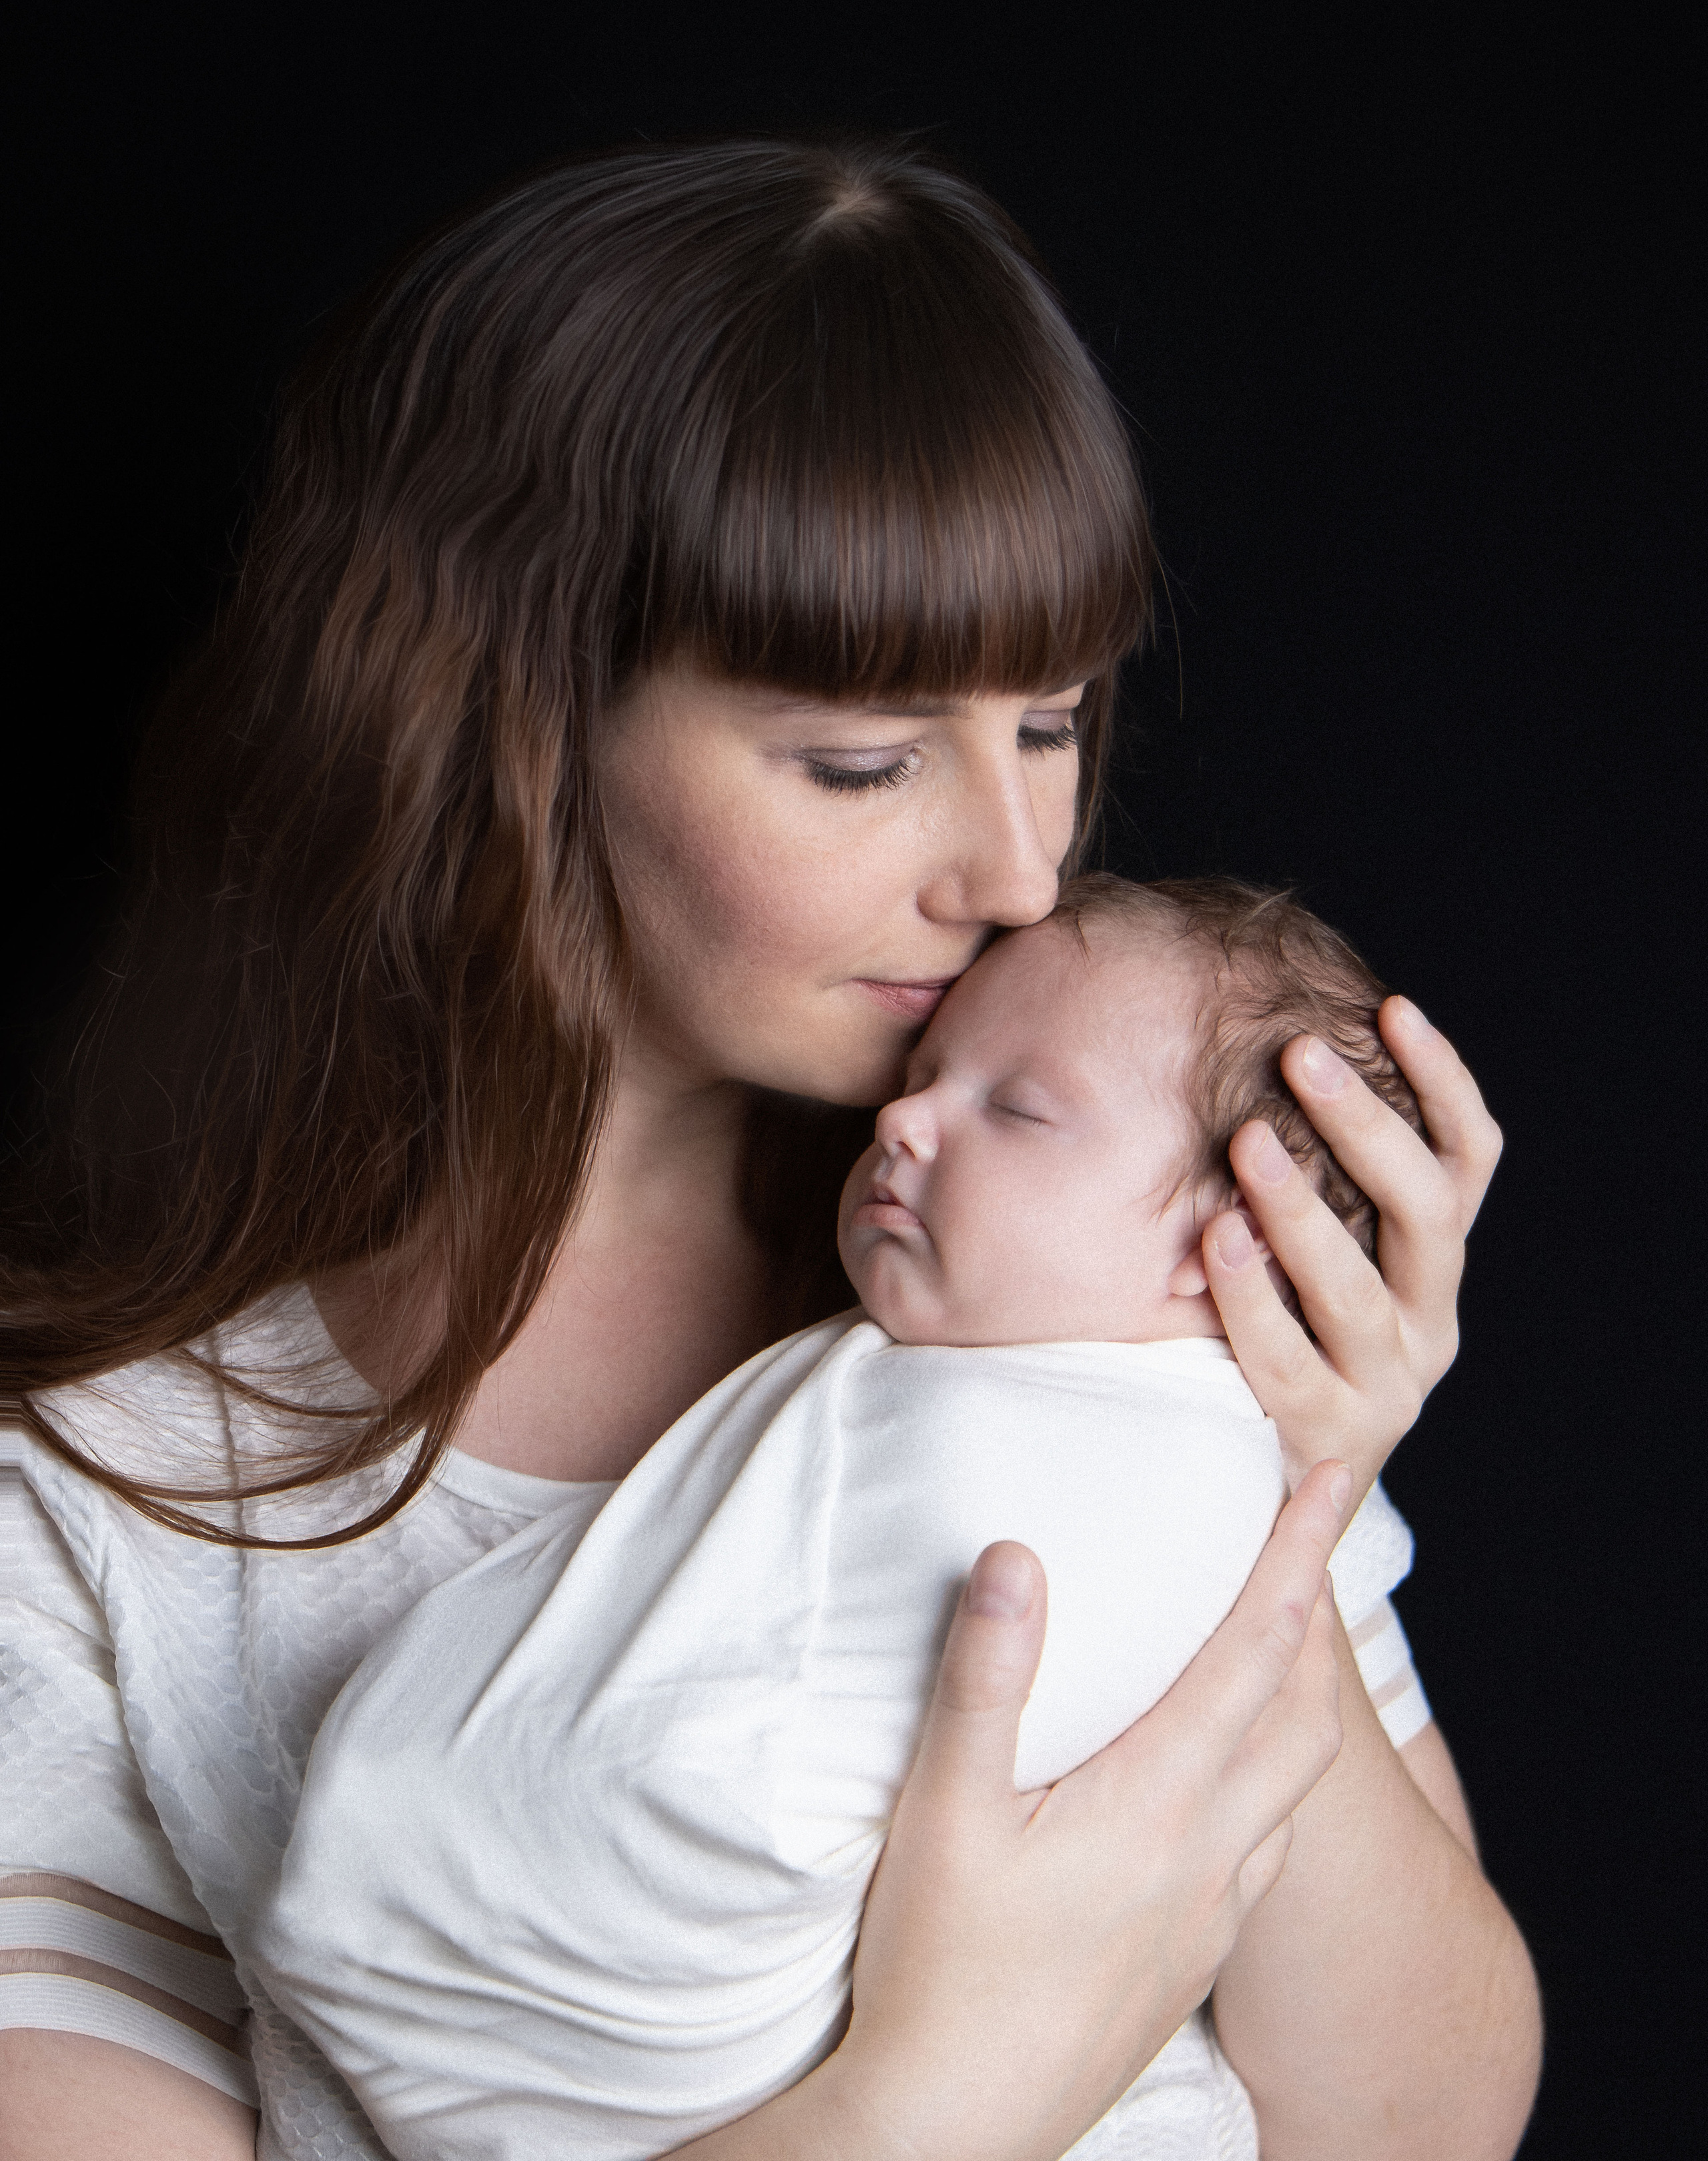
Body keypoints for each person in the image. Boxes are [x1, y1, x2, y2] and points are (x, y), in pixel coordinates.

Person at [0, 137, 1539, 2161]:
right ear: (509, 724)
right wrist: (932, 2099)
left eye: (1055, 725)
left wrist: (1286, 1476)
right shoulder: (107, 1479)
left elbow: (1418, 2124)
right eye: (863, 760)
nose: (1015, 868)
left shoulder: (1073, 1282)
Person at [256, 873, 1438, 2161]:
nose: (909, 1115)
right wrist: (934, 2100)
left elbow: (1431, 2117)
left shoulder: (1192, 1468)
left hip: (623, 2008)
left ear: (1232, 1246)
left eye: (1019, 1108)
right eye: (929, 1069)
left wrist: (1314, 1482)